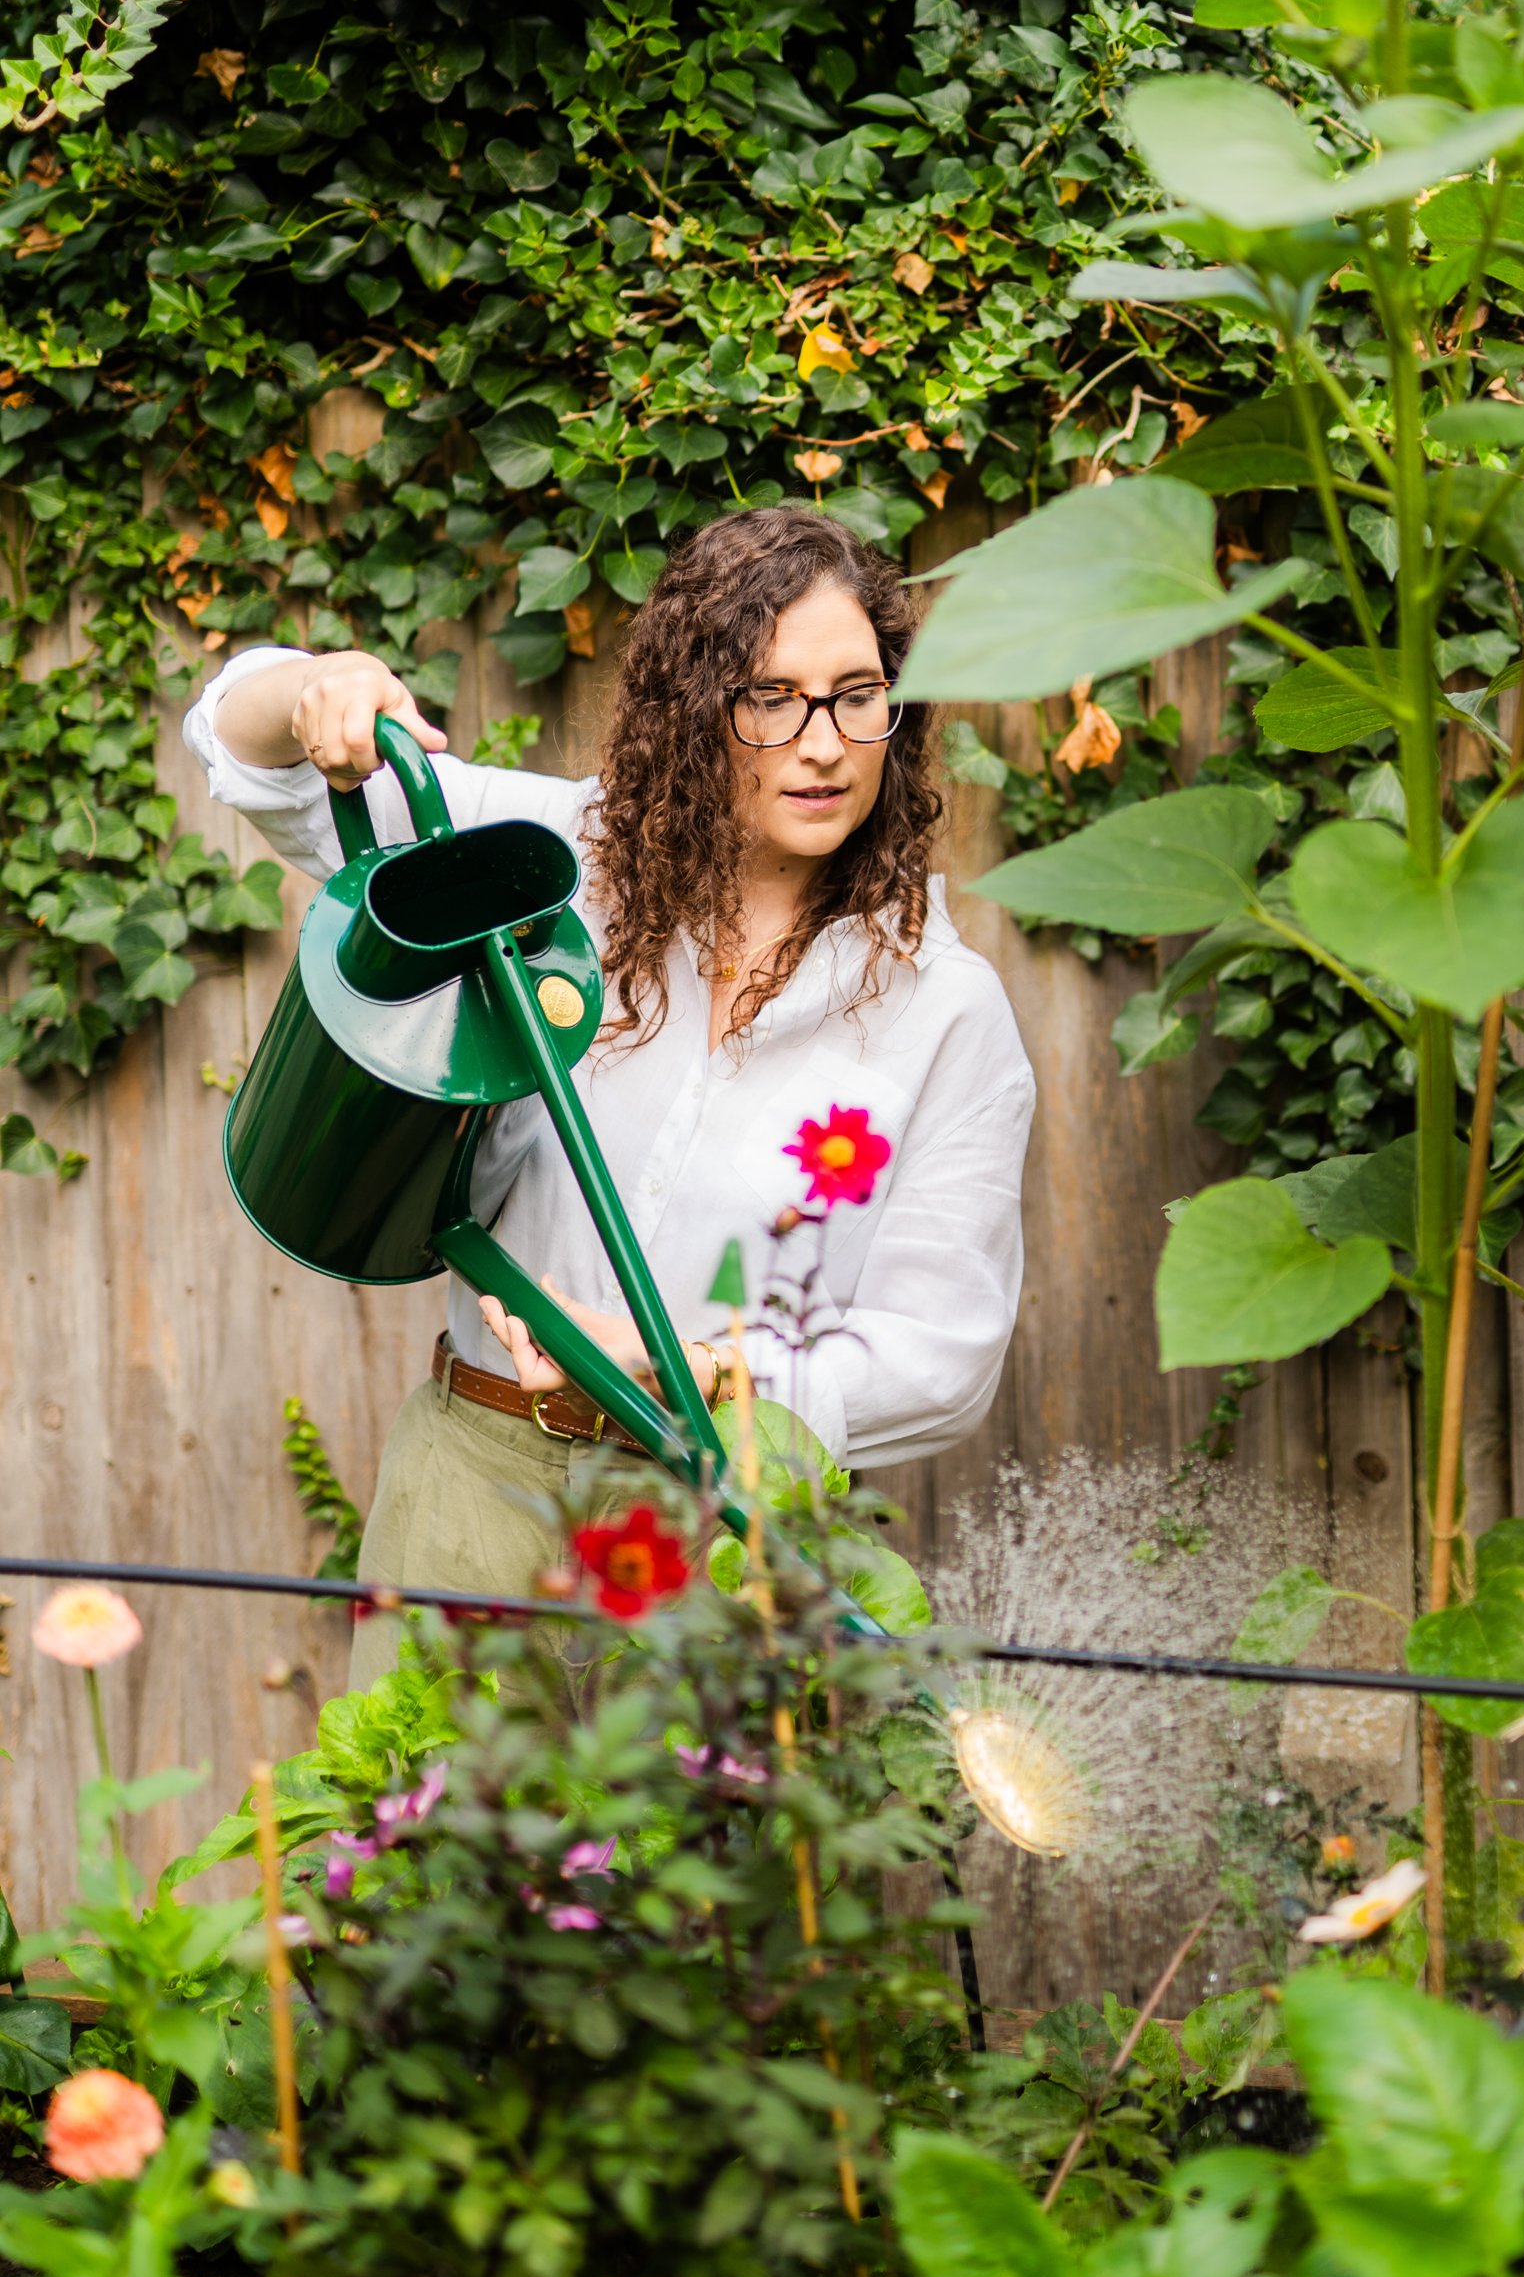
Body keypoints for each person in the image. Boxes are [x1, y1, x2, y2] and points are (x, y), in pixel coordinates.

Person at [184, 503, 1035, 1684]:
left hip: (718, 1526)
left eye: (857, 693)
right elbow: (246, 759)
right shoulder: (541, 863)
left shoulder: (941, 1009)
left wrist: (672, 1358)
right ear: (694, 711)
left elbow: (939, 1359)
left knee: (686, 1869)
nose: (826, 742)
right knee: (428, 1853)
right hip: (471, 1491)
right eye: (769, 698)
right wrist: (315, 689)